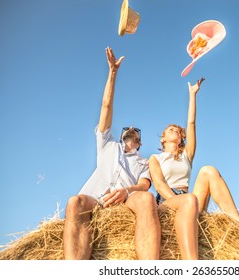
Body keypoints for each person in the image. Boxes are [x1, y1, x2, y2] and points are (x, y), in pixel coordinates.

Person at [63, 47, 161, 260]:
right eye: (128, 129)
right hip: (97, 197)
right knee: (74, 202)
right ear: (121, 135)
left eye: (135, 132)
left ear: (140, 142)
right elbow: (106, 106)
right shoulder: (107, 144)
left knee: (146, 200)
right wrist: (113, 73)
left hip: (128, 199)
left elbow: (145, 185)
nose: (131, 129)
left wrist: (127, 191)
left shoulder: (144, 161)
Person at [149, 78, 239, 236]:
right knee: (185, 201)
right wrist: (182, 204)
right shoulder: (155, 158)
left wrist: (193, 95)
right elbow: (159, 185)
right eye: (171, 129)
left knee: (208, 171)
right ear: (163, 138)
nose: (176, 131)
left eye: (178, 131)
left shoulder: (187, 154)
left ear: (181, 139)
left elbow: (191, 123)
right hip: (167, 203)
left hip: (188, 199)